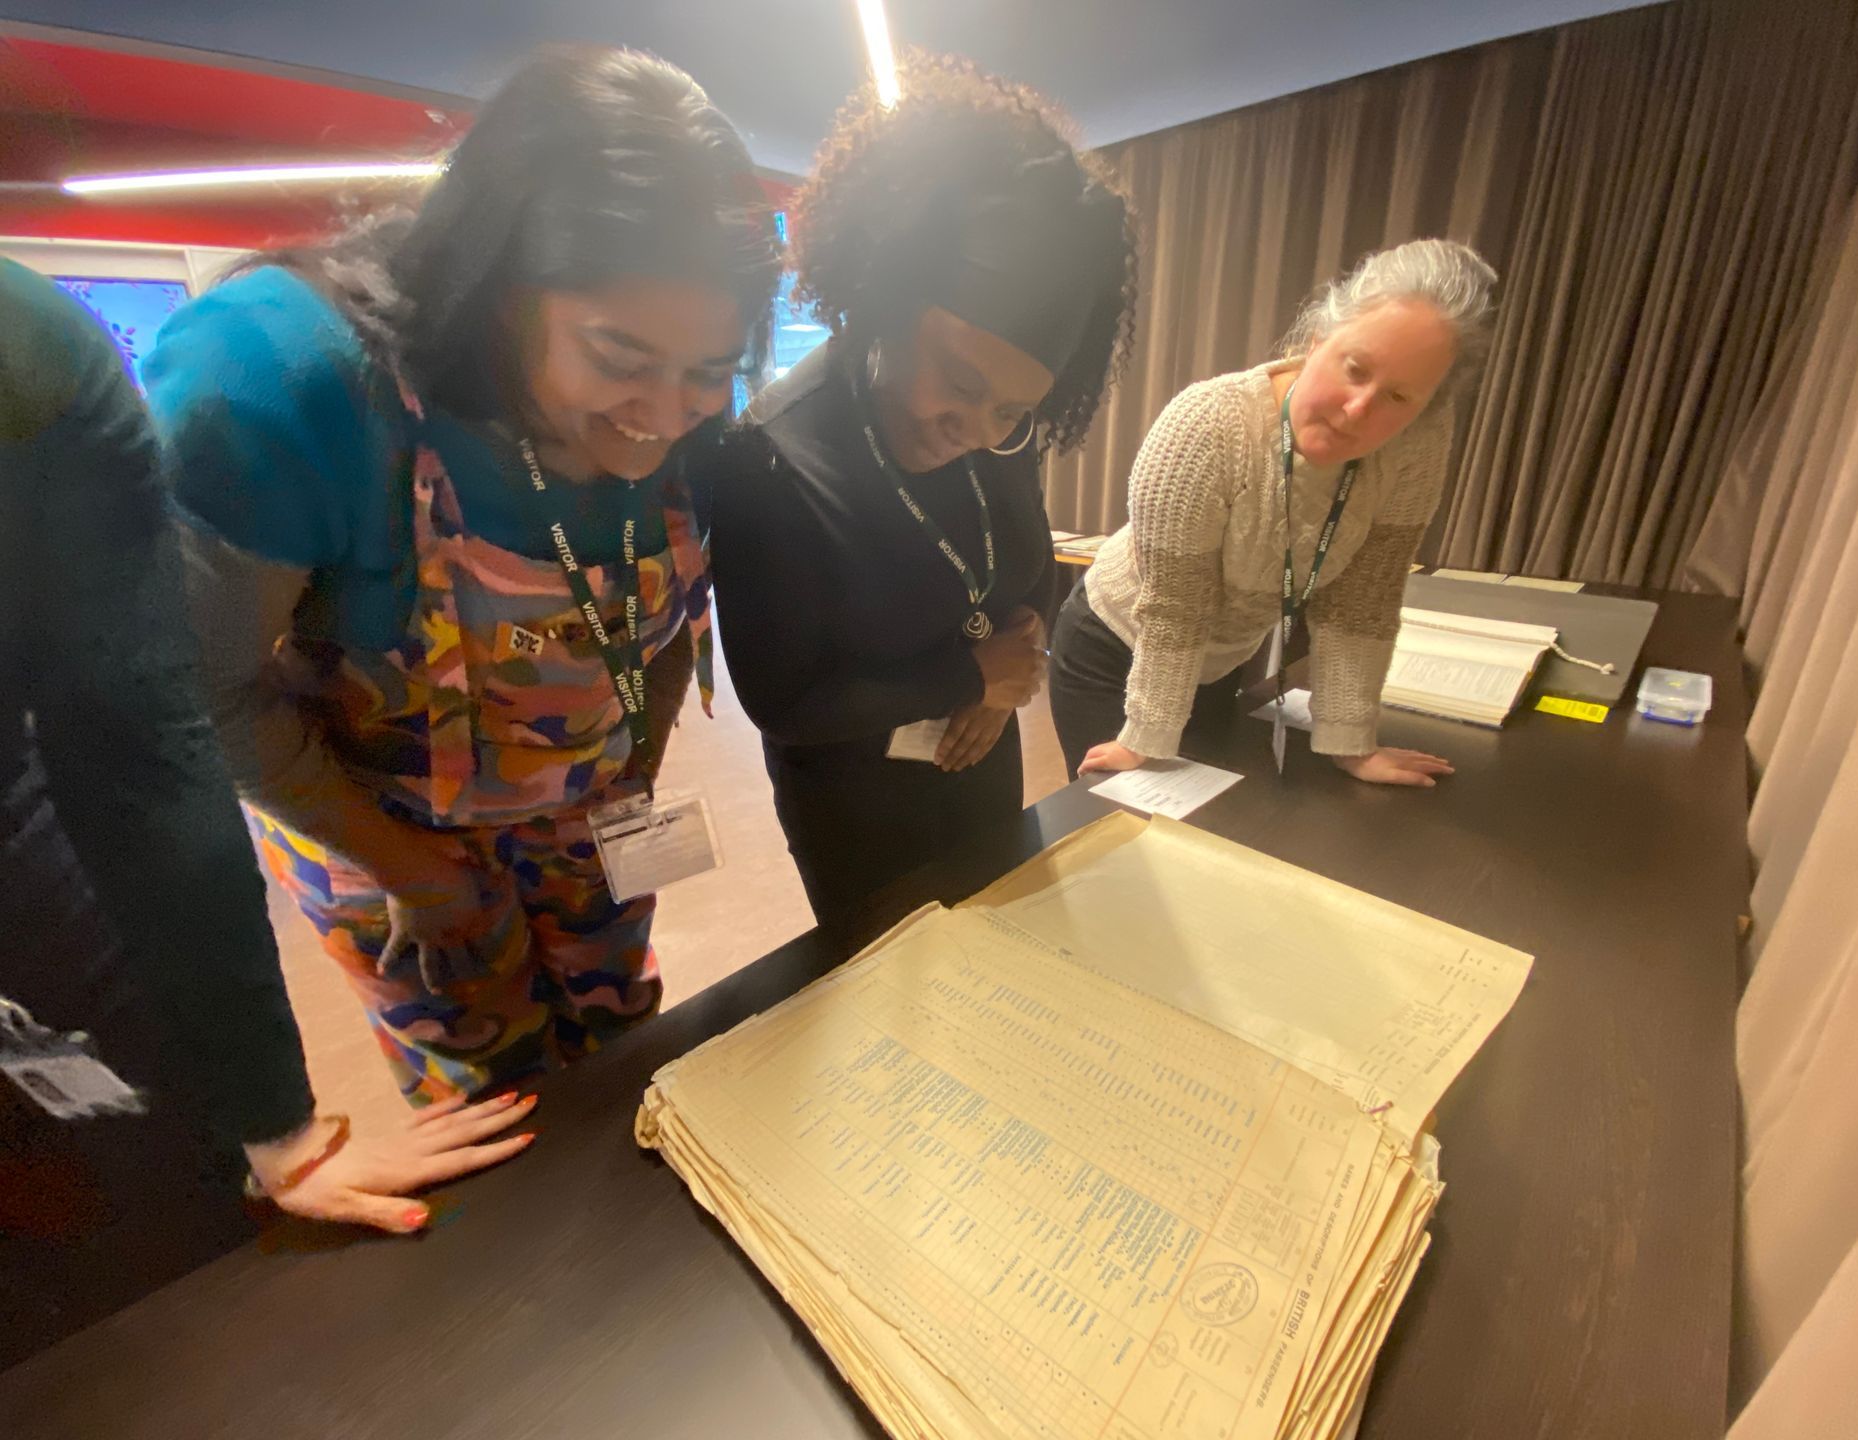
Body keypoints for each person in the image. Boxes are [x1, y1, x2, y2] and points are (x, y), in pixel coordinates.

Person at [143, 49, 779, 1105]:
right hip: (369, 808)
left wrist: (631, 782)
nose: (665, 418)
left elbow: (670, 632)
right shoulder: (284, 380)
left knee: (622, 1049)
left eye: (709, 373)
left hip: (588, 815)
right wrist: (408, 866)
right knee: (496, 1094)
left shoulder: (697, 411)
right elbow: (194, 689)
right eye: (619, 356)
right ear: (495, 285)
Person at [0, 261, 537, 1363]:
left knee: (143, 1211)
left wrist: (277, 1126)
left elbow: (139, 737)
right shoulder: (255, 380)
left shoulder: (33, 350)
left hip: (19, 820)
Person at [706, 51, 1136, 944]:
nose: (976, 429)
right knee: (893, 982)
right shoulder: (770, 458)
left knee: (997, 944)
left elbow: (1018, 565)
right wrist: (973, 675)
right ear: (883, 297)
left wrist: (1019, 646)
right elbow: (786, 703)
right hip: (853, 792)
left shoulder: (1002, 428)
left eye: (1013, 408)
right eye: (959, 381)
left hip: (979, 747)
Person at [1048, 239, 1498, 785]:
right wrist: (1145, 738)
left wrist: (1352, 744)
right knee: (1126, 819)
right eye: (1355, 369)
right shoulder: (1207, 426)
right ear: (1317, 341)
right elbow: (1175, 606)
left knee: (1209, 822)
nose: (1359, 410)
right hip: (1119, 644)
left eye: (1400, 398)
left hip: (1223, 660)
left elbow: (1365, 597)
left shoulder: (1418, 444)